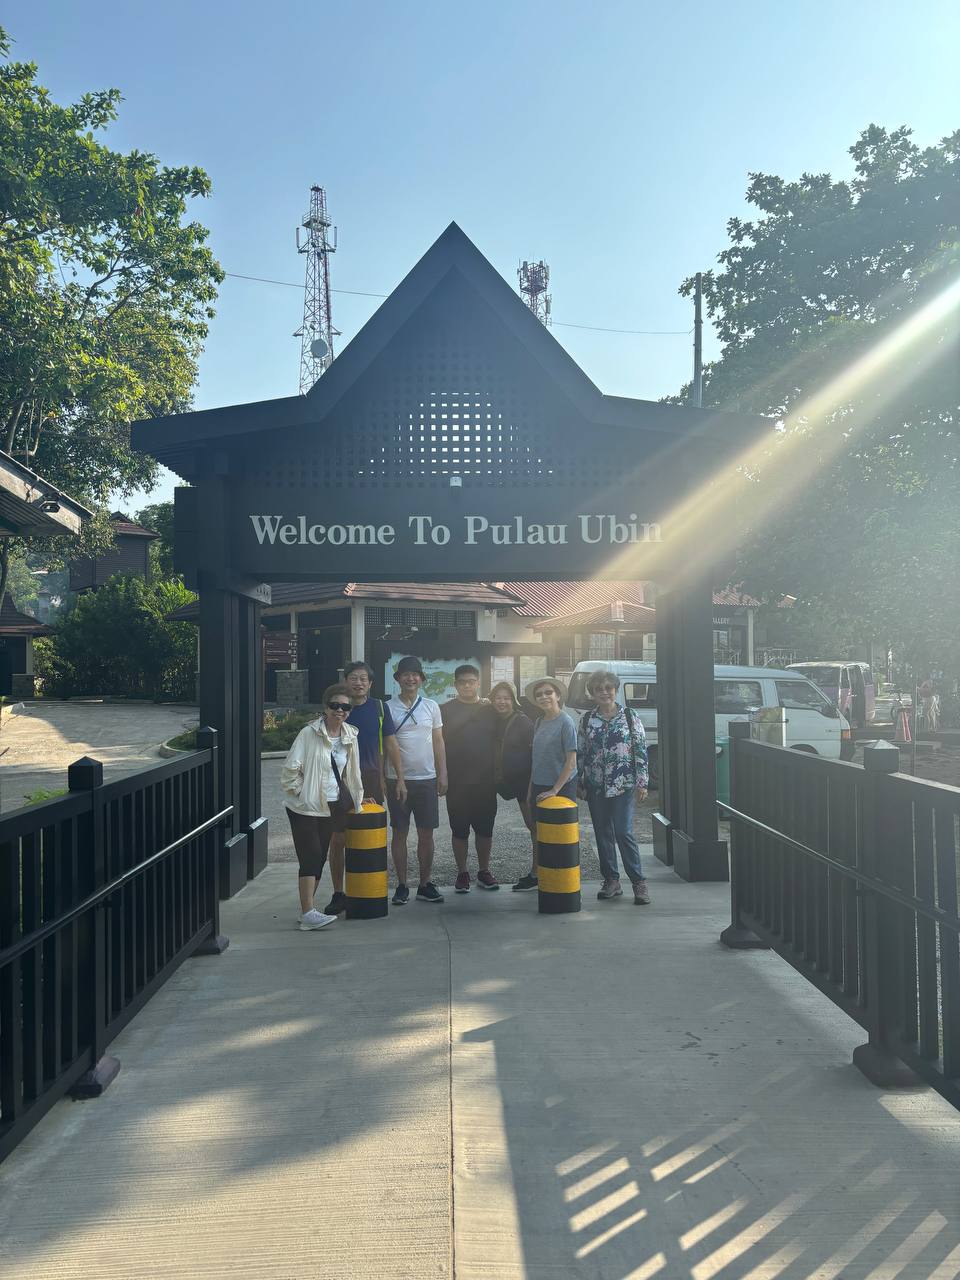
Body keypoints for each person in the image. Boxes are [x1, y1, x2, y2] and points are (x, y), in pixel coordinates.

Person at [323, 661, 406, 916]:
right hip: (339, 782)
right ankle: (339, 893)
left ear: (370, 684)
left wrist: (399, 778)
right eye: (354, 678)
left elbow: (391, 744)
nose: (358, 683)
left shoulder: (379, 708)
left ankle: (369, 890)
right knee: (338, 838)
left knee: (370, 836)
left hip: (370, 781)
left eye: (363, 679)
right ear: (345, 681)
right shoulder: (337, 709)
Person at [280, 682, 364, 930]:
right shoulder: (309, 733)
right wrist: (302, 793)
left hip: (331, 804)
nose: (340, 710)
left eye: (345, 707)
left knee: (319, 858)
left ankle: (308, 910)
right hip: (305, 806)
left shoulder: (350, 735)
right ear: (325, 708)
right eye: (335, 705)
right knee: (310, 855)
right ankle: (308, 913)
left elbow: (352, 771)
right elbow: (290, 770)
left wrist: (357, 796)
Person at [577, 669, 651, 905]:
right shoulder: (587, 720)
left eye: (608, 688)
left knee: (623, 831)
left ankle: (638, 882)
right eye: (598, 689)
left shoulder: (629, 716)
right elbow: (581, 753)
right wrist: (579, 782)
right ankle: (611, 880)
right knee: (602, 833)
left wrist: (642, 782)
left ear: (616, 690)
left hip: (623, 784)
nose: (604, 692)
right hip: (596, 785)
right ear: (592, 693)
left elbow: (640, 750)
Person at [385, 656, 448, 904]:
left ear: (421, 679)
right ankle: (402, 885)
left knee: (426, 833)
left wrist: (443, 772)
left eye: (415, 674)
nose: (410, 678)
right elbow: (385, 746)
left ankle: (425, 883)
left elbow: (439, 741)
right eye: (405, 674)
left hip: (426, 778)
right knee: (399, 832)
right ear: (398, 678)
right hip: (396, 780)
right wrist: (384, 779)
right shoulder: (387, 707)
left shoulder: (431, 706)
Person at [441, 665, 500, 893]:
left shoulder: (490, 709)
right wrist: (442, 774)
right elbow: (437, 743)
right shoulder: (444, 710)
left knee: (485, 829)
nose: (467, 685)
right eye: (462, 682)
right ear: (455, 684)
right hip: (457, 781)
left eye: (471, 681)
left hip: (486, 781)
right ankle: (462, 872)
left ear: (478, 683)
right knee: (459, 830)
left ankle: (484, 871)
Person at [488, 681, 539, 892]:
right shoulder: (494, 720)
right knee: (532, 827)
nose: (502, 702)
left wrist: (531, 788)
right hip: (510, 783)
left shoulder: (523, 722)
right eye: (498, 698)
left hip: (525, 785)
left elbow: (536, 755)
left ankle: (538, 873)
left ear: (514, 700)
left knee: (534, 827)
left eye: (506, 698)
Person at [527, 679, 578, 815]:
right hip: (539, 785)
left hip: (561, 788)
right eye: (539, 694)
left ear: (558, 696)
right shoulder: (539, 722)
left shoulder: (566, 722)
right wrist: (530, 790)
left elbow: (571, 762)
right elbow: (536, 758)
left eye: (548, 692)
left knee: (560, 827)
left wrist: (554, 790)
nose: (543, 696)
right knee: (539, 825)